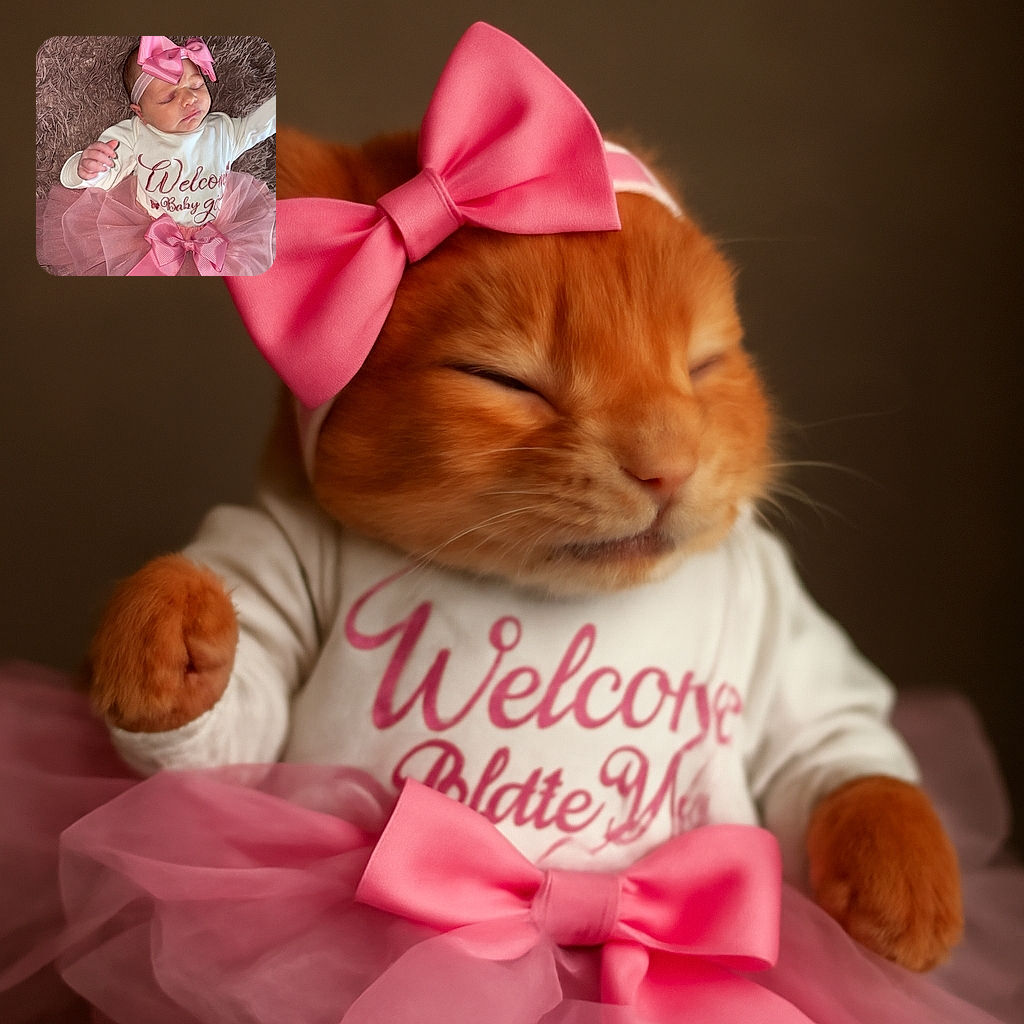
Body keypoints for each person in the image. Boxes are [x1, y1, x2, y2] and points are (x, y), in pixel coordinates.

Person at [38, 36, 276, 276]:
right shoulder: (135, 133)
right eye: (169, 97)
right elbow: (106, 175)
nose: (190, 99)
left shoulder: (223, 130)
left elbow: (261, 125)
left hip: (217, 234)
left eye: (196, 85)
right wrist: (86, 169)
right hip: (147, 236)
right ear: (141, 113)